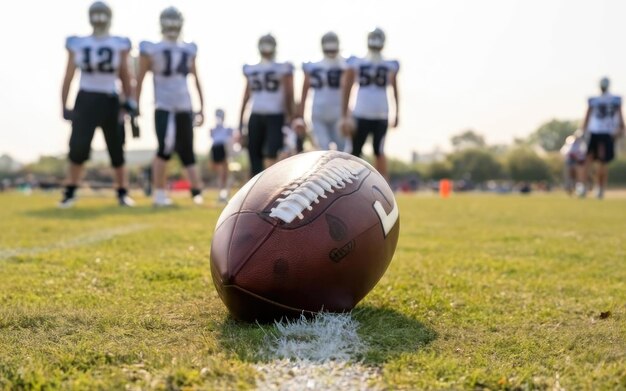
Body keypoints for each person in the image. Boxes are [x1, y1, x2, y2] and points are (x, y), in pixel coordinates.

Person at [59, 1, 136, 208]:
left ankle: (121, 192)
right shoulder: (79, 43)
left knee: (116, 147)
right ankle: (70, 191)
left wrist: (129, 101)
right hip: (87, 99)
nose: (100, 19)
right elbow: (68, 76)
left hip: (110, 99)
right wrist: (64, 104)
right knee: (78, 148)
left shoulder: (118, 43)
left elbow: (125, 76)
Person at [136, 6, 205, 206]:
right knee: (164, 148)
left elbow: (196, 77)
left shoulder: (188, 48)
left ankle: (196, 192)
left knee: (187, 151)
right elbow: (140, 78)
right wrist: (136, 103)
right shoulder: (151, 48)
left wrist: (201, 105)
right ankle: (158, 193)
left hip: (184, 104)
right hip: (164, 104)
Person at [340, 27, 399, 178]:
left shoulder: (362, 62)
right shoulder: (386, 64)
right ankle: (352, 182)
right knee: (359, 151)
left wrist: (345, 113)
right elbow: (348, 86)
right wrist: (345, 114)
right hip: (367, 112)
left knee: (375, 151)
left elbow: (348, 87)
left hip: (375, 113)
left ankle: (383, 186)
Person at [239, 34, 295, 177]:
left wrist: (240, 120)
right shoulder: (280, 67)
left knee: (268, 153)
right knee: (257, 153)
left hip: (271, 114)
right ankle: (259, 187)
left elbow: (246, 96)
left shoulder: (256, 68)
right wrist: (291, 115)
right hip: (263, 113)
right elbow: (289, 95)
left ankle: (269, 183)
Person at [299, 32, 349, 152]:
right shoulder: (345, 63)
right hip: (331, 111)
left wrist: (301, 113)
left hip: (322, 110)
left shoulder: (313, 65)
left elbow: (305, 91)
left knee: (325, 150)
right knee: (340, 151)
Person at [577, 77, 624, 199]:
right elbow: (620, 117)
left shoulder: (595, 100)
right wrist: (621, 128)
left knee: (590, 161)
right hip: (604, 133)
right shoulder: (614, 100)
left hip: (598, 132)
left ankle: (587, 187)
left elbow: (587, 116)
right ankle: (595, 188)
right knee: (599, 162)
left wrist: (582, 130)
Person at [210, 109, 234, 202]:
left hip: (223, 148)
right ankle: (222, 193)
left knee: (224, 173)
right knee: (222, 173)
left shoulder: (227, 129)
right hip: (218, 148)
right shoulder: (214, 129)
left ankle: (224, 193)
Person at [560, 129, 587, 195]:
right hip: (570, 160)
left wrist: (579, 158)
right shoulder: (570, 141)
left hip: (579, 161)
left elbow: (583, 153)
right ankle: (569, 188)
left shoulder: (582, 144)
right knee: (569, 175)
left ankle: (578, 189)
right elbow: (566, 151)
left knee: (578, 176)